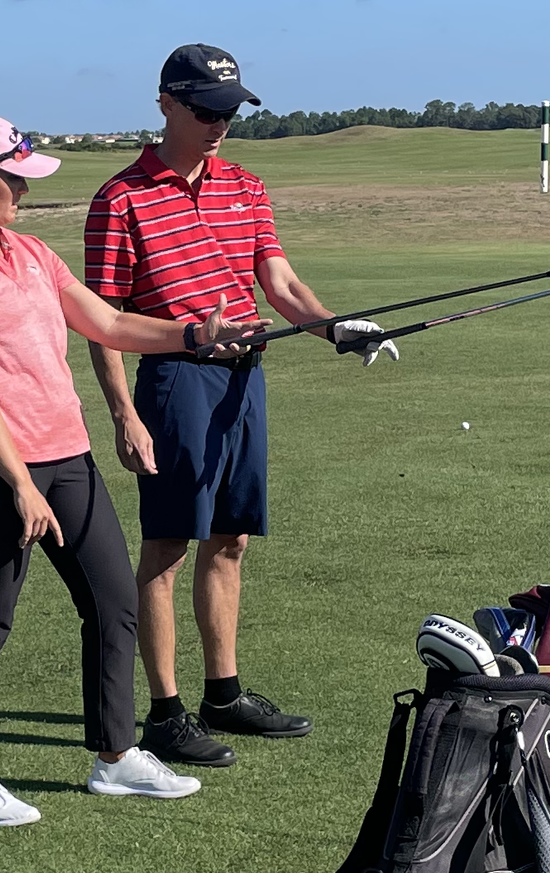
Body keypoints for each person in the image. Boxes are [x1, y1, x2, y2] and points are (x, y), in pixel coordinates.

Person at [0, 113, 260, 826]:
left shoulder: (30, 252)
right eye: (14, 181)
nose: (23, 195)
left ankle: (116, 755)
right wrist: (20, 484)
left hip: (67, 455)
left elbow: (110, 323)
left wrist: (194, 335)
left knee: (113, 601)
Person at [84, 42, 380, 770]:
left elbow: (279, 283)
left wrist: (337, 326)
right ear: (167, 104)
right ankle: (164, 712)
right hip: (175, 381)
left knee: (233, 539)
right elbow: (104, 321)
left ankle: (224, 692)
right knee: (169, 545)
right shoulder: (120, 198)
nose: (222, 124)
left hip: (244, 380)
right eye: (209, 110)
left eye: (231, 111)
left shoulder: (245, 186)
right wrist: (123, 412)